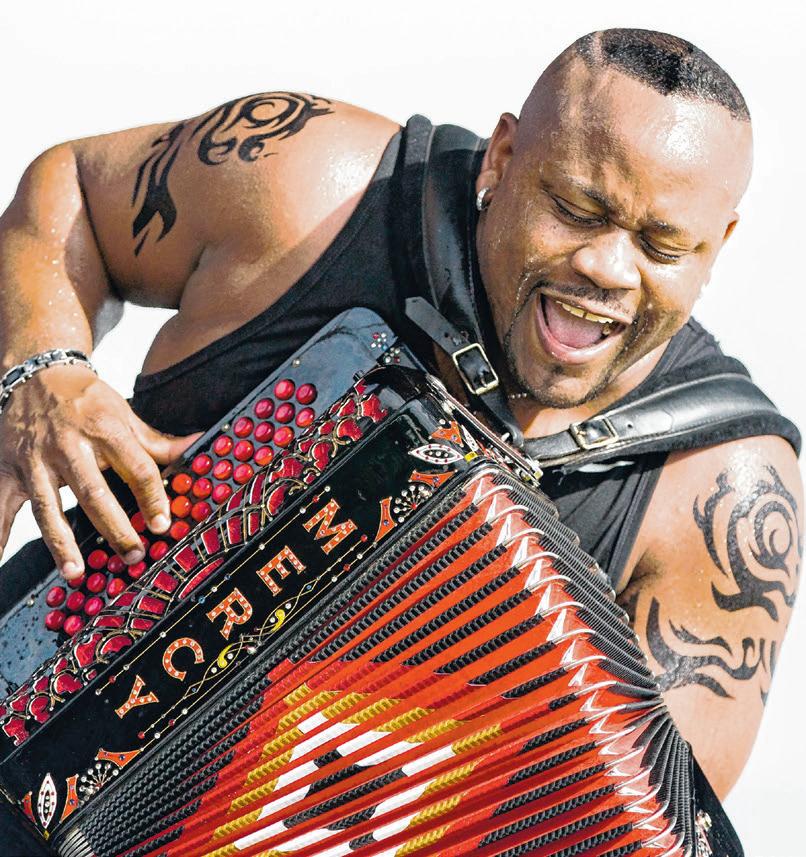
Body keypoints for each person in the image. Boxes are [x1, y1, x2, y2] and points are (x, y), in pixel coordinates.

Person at [0, 27, 800, 849]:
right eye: (575, 209)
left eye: (664, 244)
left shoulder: (723, 498)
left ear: (719, 246)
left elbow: (630, 827)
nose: (608, 267)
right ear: (502, 158)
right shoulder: (308, 185)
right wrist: (41, 368)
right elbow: (72, 191)